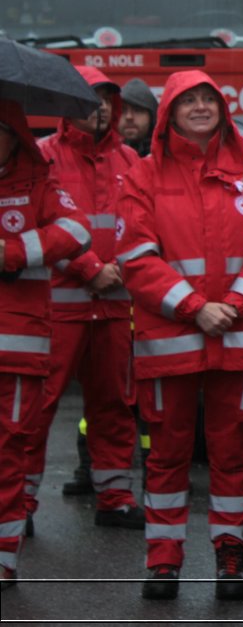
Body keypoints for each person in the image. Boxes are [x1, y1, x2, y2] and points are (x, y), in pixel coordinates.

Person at [115, 71, 243, 602]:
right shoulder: (144, 175)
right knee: (166, 457)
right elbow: (136, 260)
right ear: (168, 112)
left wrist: (229, 308)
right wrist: (195, 309)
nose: (198, 108)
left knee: (232, 456)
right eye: (187, 101)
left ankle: (230, 556)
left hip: (235, 344)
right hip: (172, 346)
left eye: (207, 100)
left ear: (222, 108)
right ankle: (163, 560)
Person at [25, 68, 143, 534]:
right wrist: (91, 269)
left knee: (114, 404)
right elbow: (38, 227)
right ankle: (20, 505)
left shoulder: (131, 160)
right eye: (92, 99)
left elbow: (144, 227)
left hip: (114, 306)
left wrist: (122, 271)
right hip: (58, 305)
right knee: (36, 409)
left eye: (109, 100)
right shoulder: (41, 158)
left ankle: (114, 497)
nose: (102, 108)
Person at [0, 98, 91, 590]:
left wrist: (13, 252)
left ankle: (3, 557)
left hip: (16, 349)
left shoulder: (37, 181)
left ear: (13, 135)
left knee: (9, 454)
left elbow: (76, 232)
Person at [118, 78, 158, 156]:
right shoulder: (103, 157)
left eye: (137, 110)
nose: (129, 117)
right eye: (122, 110)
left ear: (152, 117)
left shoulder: (165, 156)